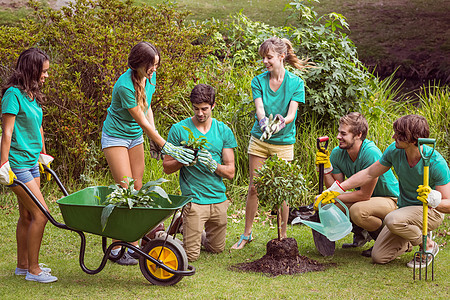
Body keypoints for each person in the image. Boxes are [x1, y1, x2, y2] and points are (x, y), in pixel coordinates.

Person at [101, 41, 195, 265]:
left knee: (137, 188)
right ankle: (118, 247)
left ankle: (132, 245)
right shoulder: (124, 86)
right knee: (125, 190)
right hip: (115, 136)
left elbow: (147, 108)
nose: (154, 70)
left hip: (135, 136)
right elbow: (140, 119)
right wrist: (164, 144)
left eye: (156, 65)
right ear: (138, 64)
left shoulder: (150, 77)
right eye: (151, 66)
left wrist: (154, 137)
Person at [316, 115, 450, 267]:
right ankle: (410, 236)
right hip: (404, 209)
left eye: (399, 135)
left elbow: (448, 204)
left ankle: (428, 244)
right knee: (379, 256)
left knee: (392, 220)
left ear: (413, 139)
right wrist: (336, 190)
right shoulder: (395, 151)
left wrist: (434, 199)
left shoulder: (435, 162)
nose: (394, 137)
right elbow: (369, 173)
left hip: (429, 211)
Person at [231, 37, 312, 249]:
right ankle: (246, 234)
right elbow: (259, 109)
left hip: (283, 142)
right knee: (254, 188)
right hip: (260, 140)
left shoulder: (295, 83)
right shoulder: (258, 81)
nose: (265, 62)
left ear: (281, 56)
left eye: (269, 57)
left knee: (283, 191)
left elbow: (292, 113)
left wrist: (281, 122)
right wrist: (264, 122)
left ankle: (283, 235)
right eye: (263, 58)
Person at [0, 48, 58, 283]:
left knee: (26, 215)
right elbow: (7, 131)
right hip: (17, 164)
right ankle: (34, 271)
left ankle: (23, 266)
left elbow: (38, 128)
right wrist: (3, 164)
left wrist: (43, 155)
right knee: (41, 214)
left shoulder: (32, 94)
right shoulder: (13, 95)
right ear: (32, 70)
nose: (45, 75)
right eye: (43, 71)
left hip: (33, 162)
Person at [163, 84, 237, 262]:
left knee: (216, 249)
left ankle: (183, 225)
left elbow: (231, 172)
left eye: (204, 109)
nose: (200, 113)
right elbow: (166, 167)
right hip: (194, 200)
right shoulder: (179, 130)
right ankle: (159, 236)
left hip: (218, 199)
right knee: (191, 256)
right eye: (196, 109)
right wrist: (184, 158)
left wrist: (213, 165)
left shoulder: (223, 131)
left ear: (213, 105)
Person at [315, 112, 399, 257]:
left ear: (358, 134)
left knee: (358, 211)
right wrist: (326, 170)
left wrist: (331, 197)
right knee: (329, 205)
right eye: (338, 132)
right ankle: (362, 234)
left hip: (390, 199)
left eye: (343, 133)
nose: (338, 137)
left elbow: (364, 195)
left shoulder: (370, 153)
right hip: (367, 200)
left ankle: (386, 241)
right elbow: (336, 188)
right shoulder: (338, 153)